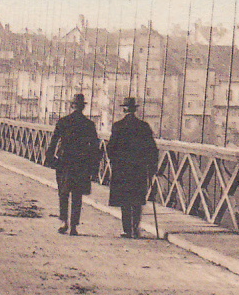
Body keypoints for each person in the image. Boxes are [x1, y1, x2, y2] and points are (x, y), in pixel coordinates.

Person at [44, 93, 99, 237]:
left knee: (63, 193)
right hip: (81, 164)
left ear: (71, 106)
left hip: (64, 163)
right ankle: (74, 225)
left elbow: (53, 142)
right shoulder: (89, 124)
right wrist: (94, 167)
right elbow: (95, 148)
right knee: (77, 195)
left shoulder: (63, 122)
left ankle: (64, 222)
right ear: (83, 107)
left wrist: (51, 160)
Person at [107, 97, 159, 239]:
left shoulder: (117, 126)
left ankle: (127, 230)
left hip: (122, 169)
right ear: (135, 109)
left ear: (124, 109)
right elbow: (152, 149)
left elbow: (110, 148)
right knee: (136, 199)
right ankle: (135, 228)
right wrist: (152, 166)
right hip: (138, 169)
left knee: (125, 200)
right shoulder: (144, 126)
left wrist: (115, 162)